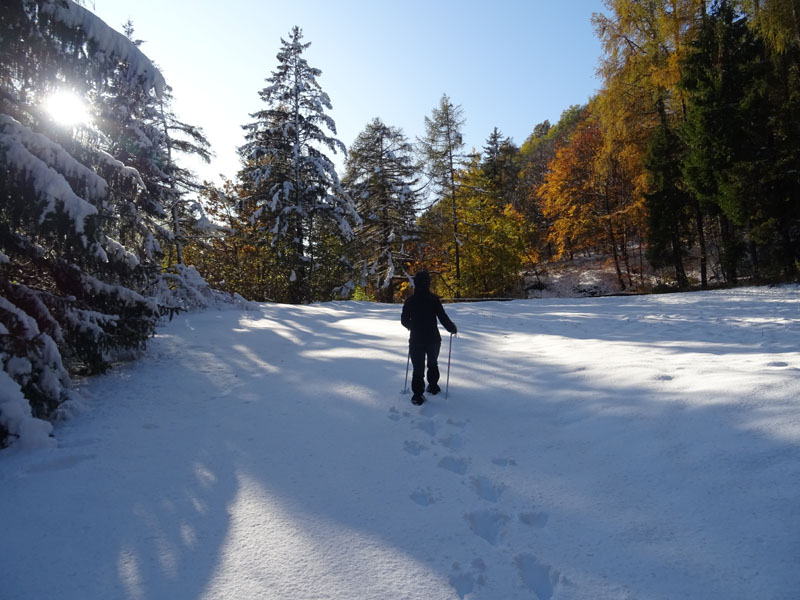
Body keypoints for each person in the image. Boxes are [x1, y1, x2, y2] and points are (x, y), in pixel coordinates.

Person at [401, 270, 457, 405]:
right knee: (432, 363)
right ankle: (432, 387)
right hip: (433, 339)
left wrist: (412, 326)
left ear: (415, 283)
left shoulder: (410, 301)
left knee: (418, 368)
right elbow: (443, 318)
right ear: (428, 283)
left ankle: (417, 396)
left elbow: (403, 320)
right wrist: (452, 328)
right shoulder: (433, 300)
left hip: (416, 340)